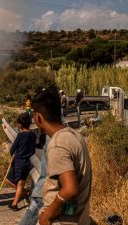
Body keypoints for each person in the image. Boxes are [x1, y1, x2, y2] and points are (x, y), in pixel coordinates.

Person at [31, 86, 92, 225]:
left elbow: (70, 189)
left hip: (61, 221)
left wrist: (47, 215)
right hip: (79, 218)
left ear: (38, 117)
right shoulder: (74, 134)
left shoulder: (58, 144)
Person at [6, 113, 36, 211]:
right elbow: (33, 150)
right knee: (20, 184)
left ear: (20, 125)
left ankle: (21, 196)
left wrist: (12, 154)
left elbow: (12, 149)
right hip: (27, 162)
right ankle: (18, 200)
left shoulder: (20, 135)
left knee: (8, 180)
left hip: (18, 162)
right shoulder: (33, 135)